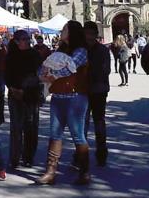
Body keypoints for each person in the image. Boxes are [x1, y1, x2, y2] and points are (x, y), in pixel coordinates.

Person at [36, 21, 91, 185]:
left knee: (77, 135)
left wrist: (51, 74)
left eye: (65, 28)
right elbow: (44, 66)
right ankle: (50, 172)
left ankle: (84, 172)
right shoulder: (60, 50)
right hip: (58, 97)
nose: (62, 31)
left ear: (72, 32)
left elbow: (70, 68)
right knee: (54, 134)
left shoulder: (81, 51)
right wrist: (44, 73)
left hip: (75, 98)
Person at [5, 30, 42, 169]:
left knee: (31, 126)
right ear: (16, 41)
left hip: (31, 95)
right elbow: (6, 75)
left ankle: (28, 157)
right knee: (16, 127)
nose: (27, 41)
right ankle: (14, 157)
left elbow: (39, 74)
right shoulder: (11, 56)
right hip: (15, 95)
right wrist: (13, 88)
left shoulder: (35, 54)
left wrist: (26, 89)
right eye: (24, 39)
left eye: (28, 38)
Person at [83, 21, 111, 166]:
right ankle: (81, 153)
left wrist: (89, 72)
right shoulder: (80, 49)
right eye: (86, 34)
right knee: (84, 123)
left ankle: (101, 152)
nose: (88, 37)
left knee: (98, 121)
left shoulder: (102, 50)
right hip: (85, 91)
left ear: (95, 35)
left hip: (98, 90)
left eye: (90, 34)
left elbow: (106, 70)